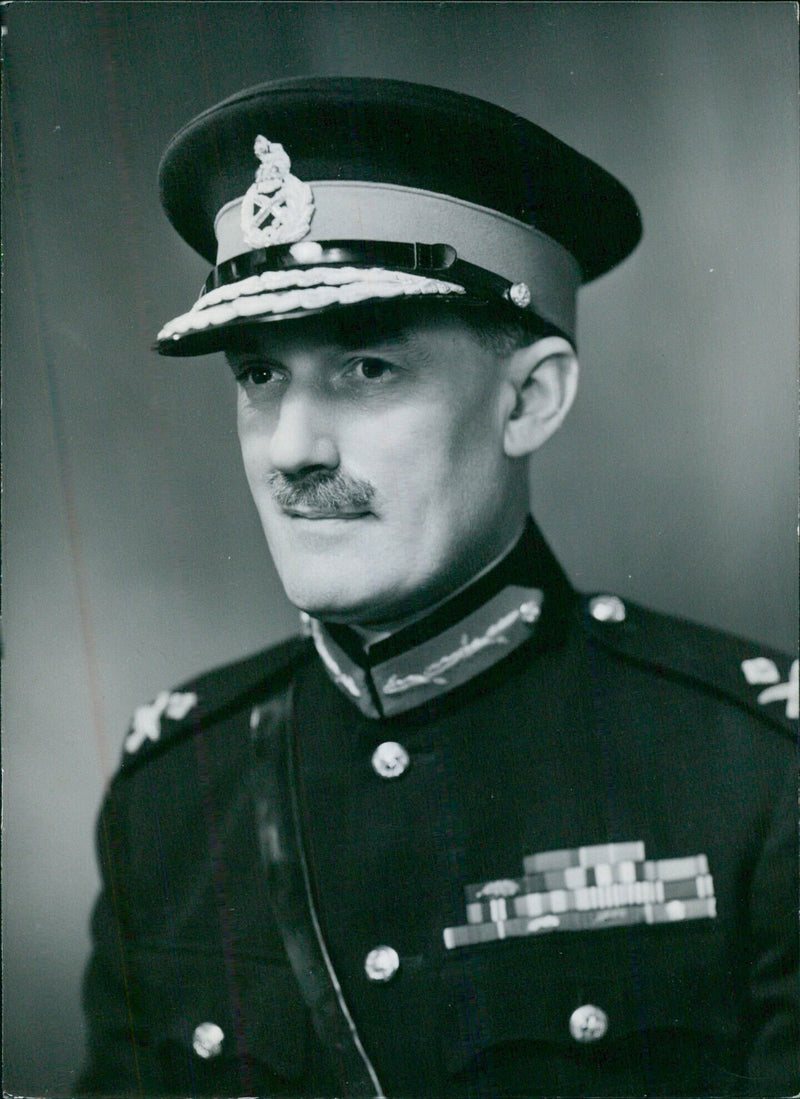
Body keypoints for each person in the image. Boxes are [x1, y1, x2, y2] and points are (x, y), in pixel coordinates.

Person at [76, 77, 797, 1098]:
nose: (291, 448)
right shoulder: (167, 802)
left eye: (368, 367)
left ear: (529, 397)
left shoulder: (757, 774)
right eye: (257, 375)